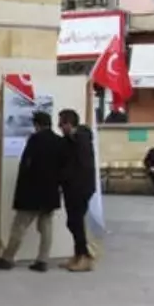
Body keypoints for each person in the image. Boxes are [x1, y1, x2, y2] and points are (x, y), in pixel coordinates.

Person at [0, 111, 61, 273]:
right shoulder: (59, 141)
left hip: (31, 193)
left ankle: (8, 258)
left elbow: (26, 167)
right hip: (50, 193)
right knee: (46, 227)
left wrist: (20, 194)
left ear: (36, 124)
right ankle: (43, 260)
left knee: (19, 227)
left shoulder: (34, 140)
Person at [58, 109, 97, 272]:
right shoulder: (69, 140)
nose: (59, 126)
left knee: (76, 222)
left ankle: (84, 257)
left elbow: (83, 166)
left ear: (69, 123)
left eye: (62, 123)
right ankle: (79, 254)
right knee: (73, 222)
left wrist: (72, 181)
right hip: (71, 187)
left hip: (80, 187)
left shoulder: (81, 138)